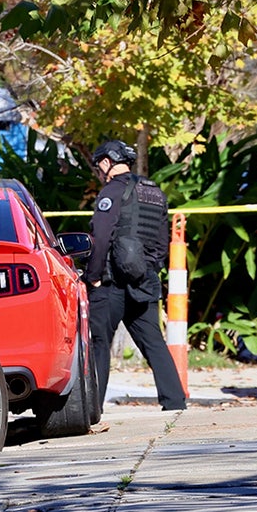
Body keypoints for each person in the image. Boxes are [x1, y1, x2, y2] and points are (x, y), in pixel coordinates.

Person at [85, 139, 187, 411]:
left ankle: (93, 408)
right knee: (153, 342)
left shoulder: (112, 193)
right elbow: (161, 242)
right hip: (143, 280)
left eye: (99, 166)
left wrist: (93, 276)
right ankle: (175, 402)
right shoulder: (155, 193)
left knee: (99, 343)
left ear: (107, 163)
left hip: (110, 282)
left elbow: (101, 237)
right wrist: (147, 271)